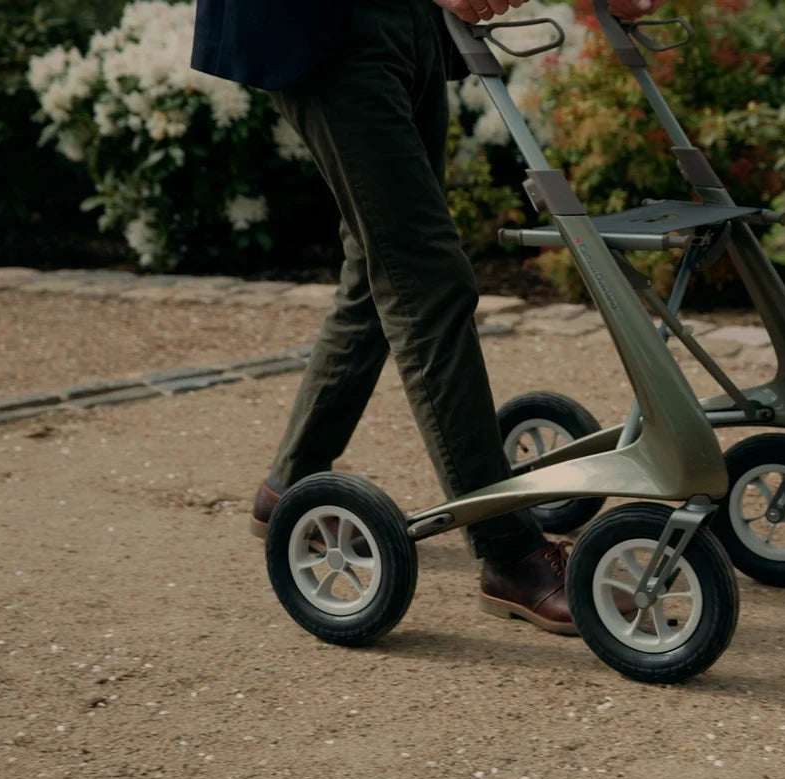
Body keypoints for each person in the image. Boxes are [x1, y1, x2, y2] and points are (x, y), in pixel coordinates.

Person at [190, 0, 654, 635]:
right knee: (426, 281)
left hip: (413, 23)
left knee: (377, 265)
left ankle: (289, 490)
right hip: (323, 25)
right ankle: (509, 552)